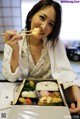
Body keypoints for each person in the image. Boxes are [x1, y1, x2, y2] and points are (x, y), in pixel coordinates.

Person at [2, 0, 80, 114]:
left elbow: (66, 73)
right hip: (25, 96)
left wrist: (77, 95)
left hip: (49, 97)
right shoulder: (14, 41)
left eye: (51, 24)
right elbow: (11, 78)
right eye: (42, 18)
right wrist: (15, 49)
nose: (44, 26)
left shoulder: (55, 44)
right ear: (31, 16)